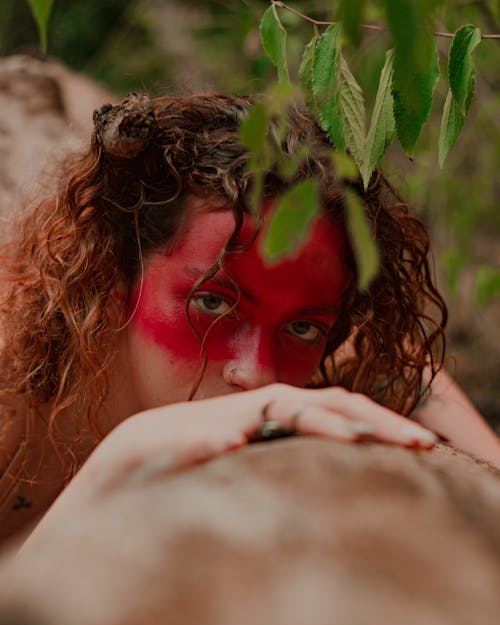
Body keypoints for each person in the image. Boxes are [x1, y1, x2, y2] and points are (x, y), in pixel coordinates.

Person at [0, 92, 498, 548]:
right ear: (111, 276)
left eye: (303, 327)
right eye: (213, 304)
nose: (258, 373)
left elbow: (399, 363)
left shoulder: (297, 356)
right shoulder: (11, 381)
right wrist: (119, 459)